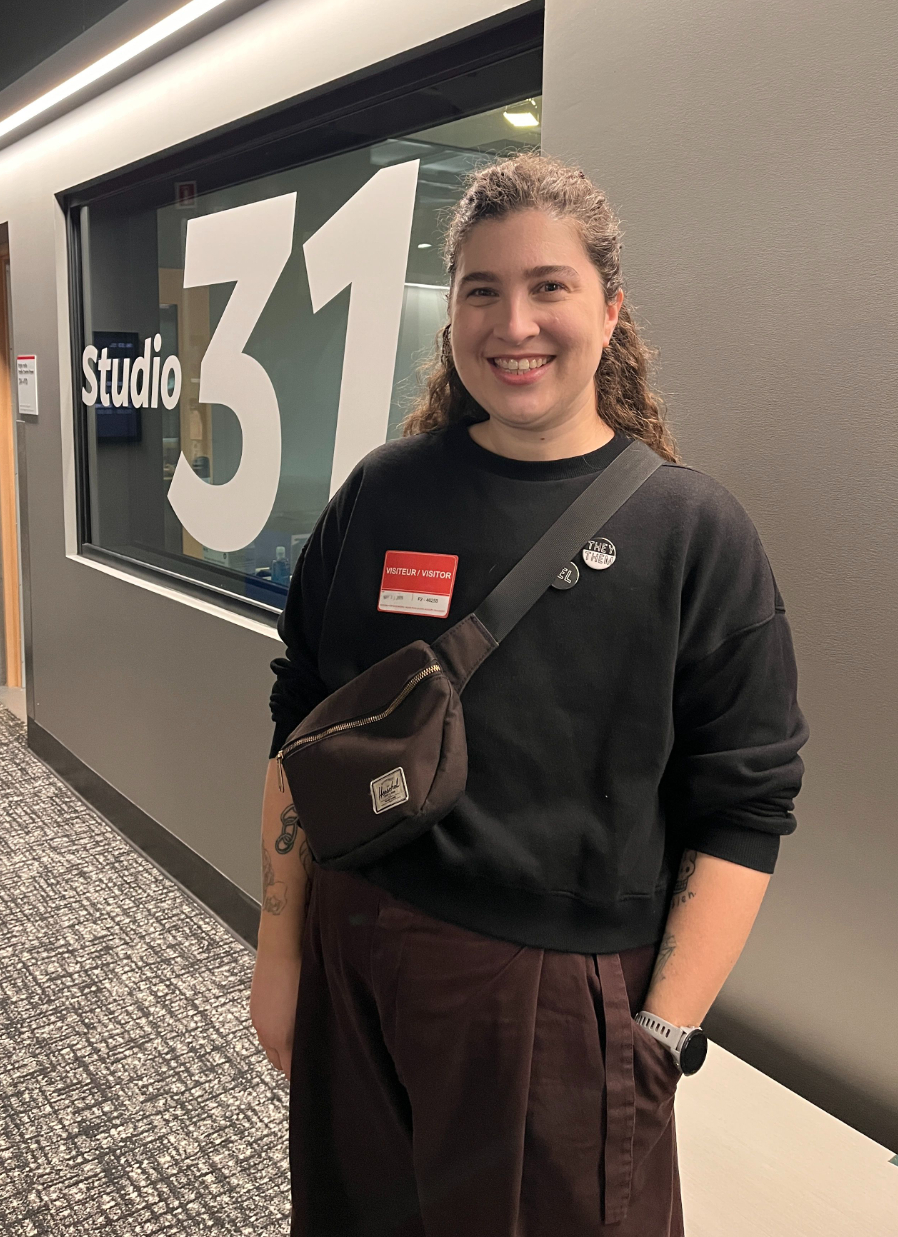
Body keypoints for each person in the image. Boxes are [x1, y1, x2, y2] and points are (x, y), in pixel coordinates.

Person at [249, 152, 807, 1236]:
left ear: (610, 307)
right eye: (482, 290)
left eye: (549, 286)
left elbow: (747, 811)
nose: (516, 323)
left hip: (556, 1004)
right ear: (451, 308)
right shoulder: (382, 493)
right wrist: (283, 954)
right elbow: (300, 723)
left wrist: (659, 1036)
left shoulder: (692, 535)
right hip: (356, 950)